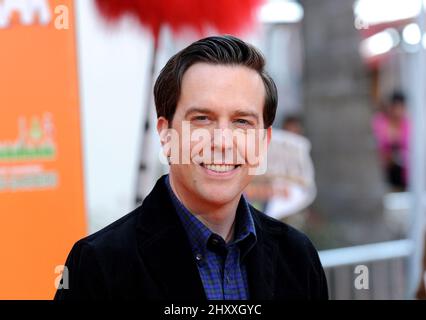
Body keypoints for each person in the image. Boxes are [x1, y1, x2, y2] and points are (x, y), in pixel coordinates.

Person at [54, 35, 328, 300]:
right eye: (202, 119)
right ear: (166, 135)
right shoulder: (99, 265)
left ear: (263, 142)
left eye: (242, 121)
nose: (222, 142)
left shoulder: (298, 258)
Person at [372, 91, 410, 191]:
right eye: (395, 107)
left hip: (402, 176)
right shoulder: (380, 122)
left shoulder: (407, 125)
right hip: (384, 172)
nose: (397, 111)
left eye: (400, 107)